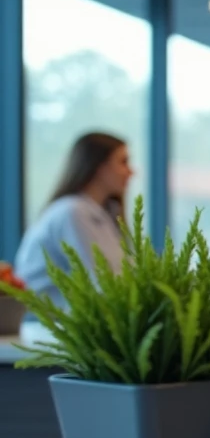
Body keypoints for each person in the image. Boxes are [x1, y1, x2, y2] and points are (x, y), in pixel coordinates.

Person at [13, 132, 134, 311]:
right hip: (48, 325)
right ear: (99, 166)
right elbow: (101, 281)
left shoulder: (101, 213)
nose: (131, 172)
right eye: (123, 162)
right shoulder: (73, 212)